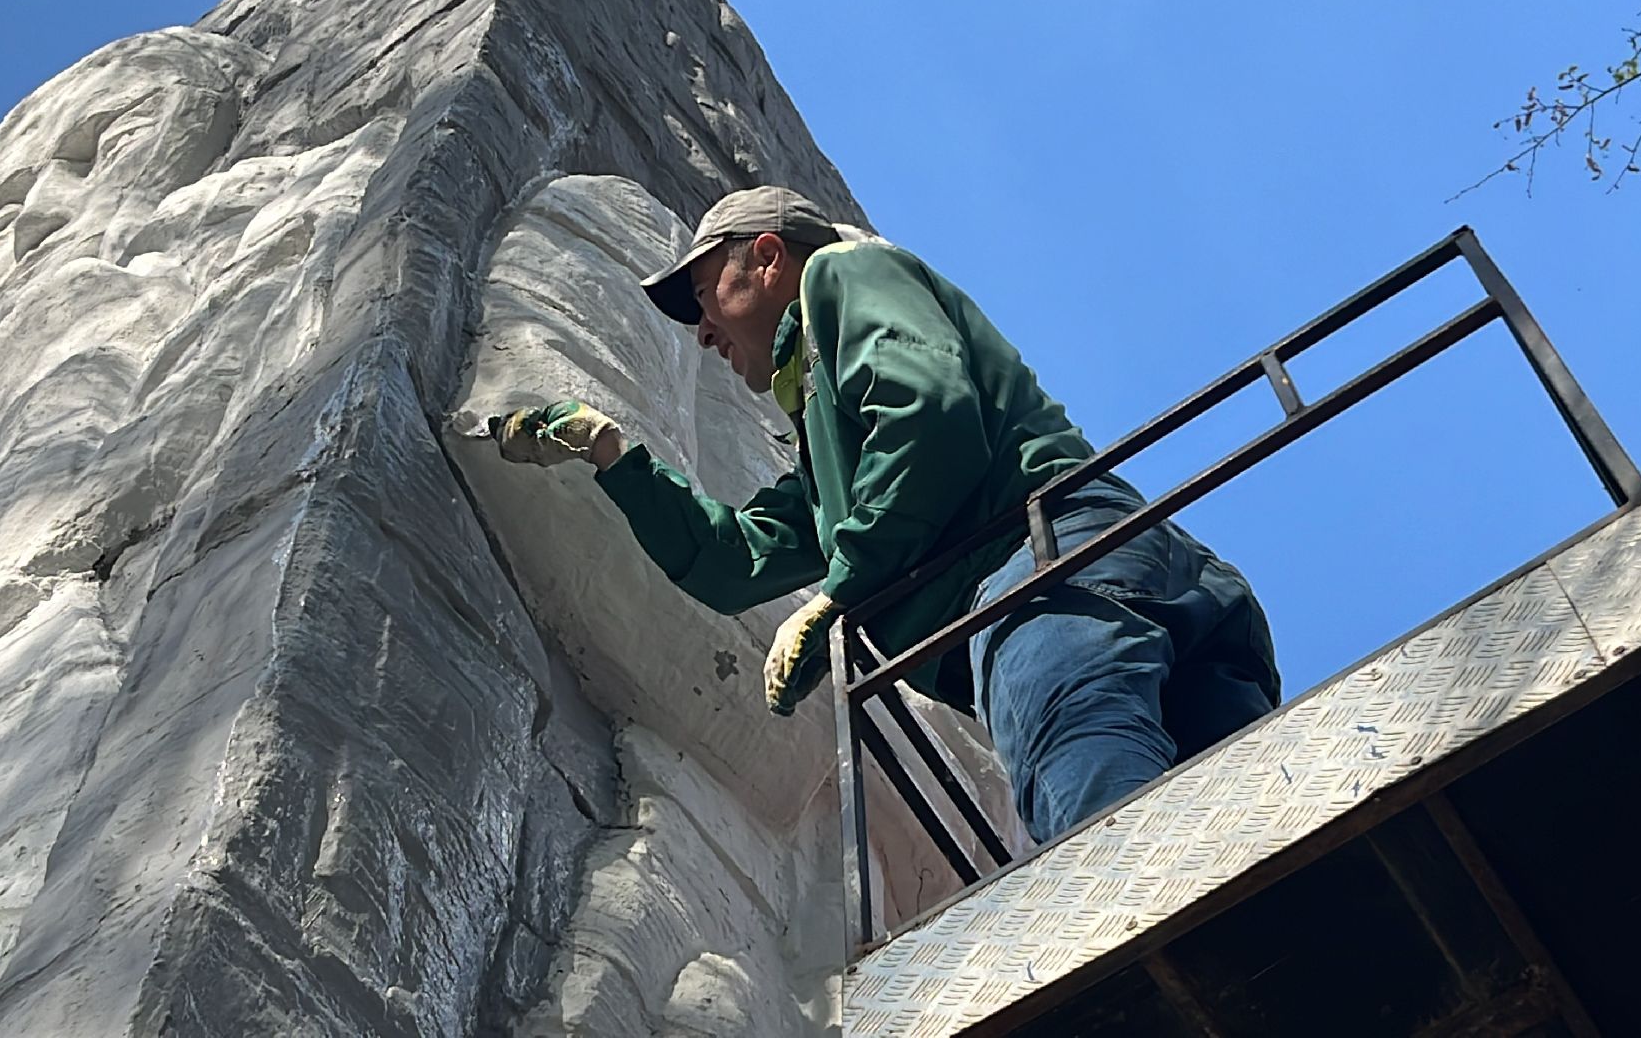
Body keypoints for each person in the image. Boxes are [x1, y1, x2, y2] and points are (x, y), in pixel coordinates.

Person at [480, 186, 1281, 843]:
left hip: (1045, 579)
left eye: (701, 298)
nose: (702, 337)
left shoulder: (840, 277)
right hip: (1129, 569)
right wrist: (612, 455)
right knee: (1262, 846)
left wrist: (844, 588)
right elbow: (733, 562)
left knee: (1110, 832)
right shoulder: (827, 457)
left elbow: (929, 413)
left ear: (765, 257)